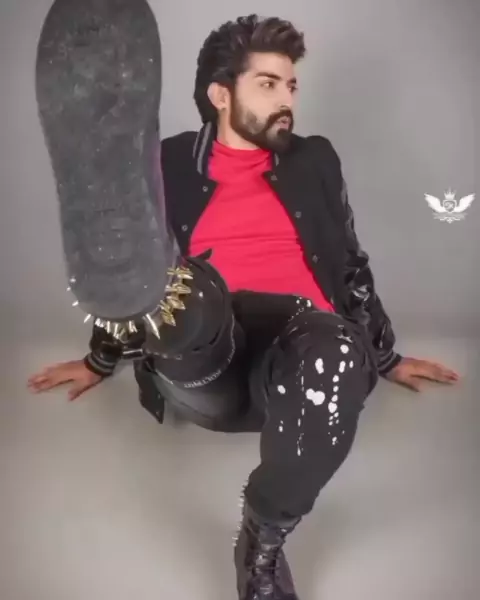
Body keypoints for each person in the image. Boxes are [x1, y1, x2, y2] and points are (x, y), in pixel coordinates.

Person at [30, 7, 460, 599]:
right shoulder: (170, 161)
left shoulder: (315, 160)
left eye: (291, 86)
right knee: (185, 289)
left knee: (334, 344)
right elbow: (139, 275)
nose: (287, 100)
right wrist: (100, 359)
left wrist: (384, 357)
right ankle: (120, 215)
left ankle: (261, 541)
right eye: (268, 84)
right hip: (209, 358)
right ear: (220, 95)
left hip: (306, 355)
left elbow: (349, 263)